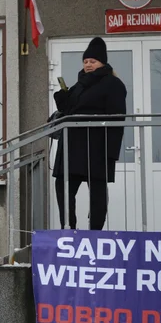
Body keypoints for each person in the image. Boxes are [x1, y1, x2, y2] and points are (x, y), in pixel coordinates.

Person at [52, 37, 128, 231]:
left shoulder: (113, 84)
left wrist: (111, 152)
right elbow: (70, 111)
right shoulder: (79, 85)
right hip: (72, 147)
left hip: (97, 147)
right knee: (63, 186)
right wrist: (62, 98)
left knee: (97, 191)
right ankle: (69, 228)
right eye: (85, 62)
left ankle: (95, 233)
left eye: (92, 61)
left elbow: (118, 118)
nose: (88, 65)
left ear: (102, 62)